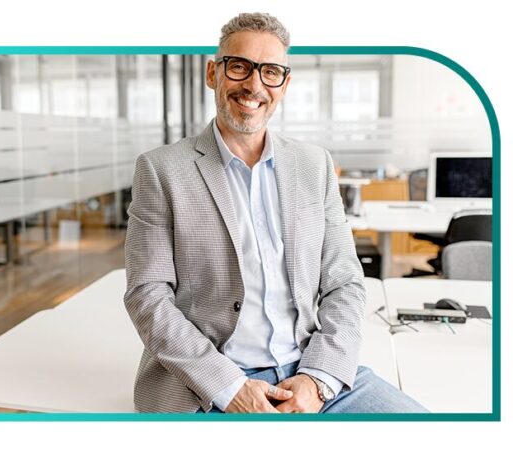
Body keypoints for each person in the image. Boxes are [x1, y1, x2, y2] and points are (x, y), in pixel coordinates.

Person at [123, 12, 427, 414]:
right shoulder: (161, 170)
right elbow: (148, 296)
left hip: (308, 369)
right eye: (239, 67)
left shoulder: (313, 164)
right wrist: (229, 386)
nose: (254, 85)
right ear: (213, 73)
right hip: (207, 387)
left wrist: (317, 379)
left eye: (270, 72)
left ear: (284, 84)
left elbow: (345, 282)